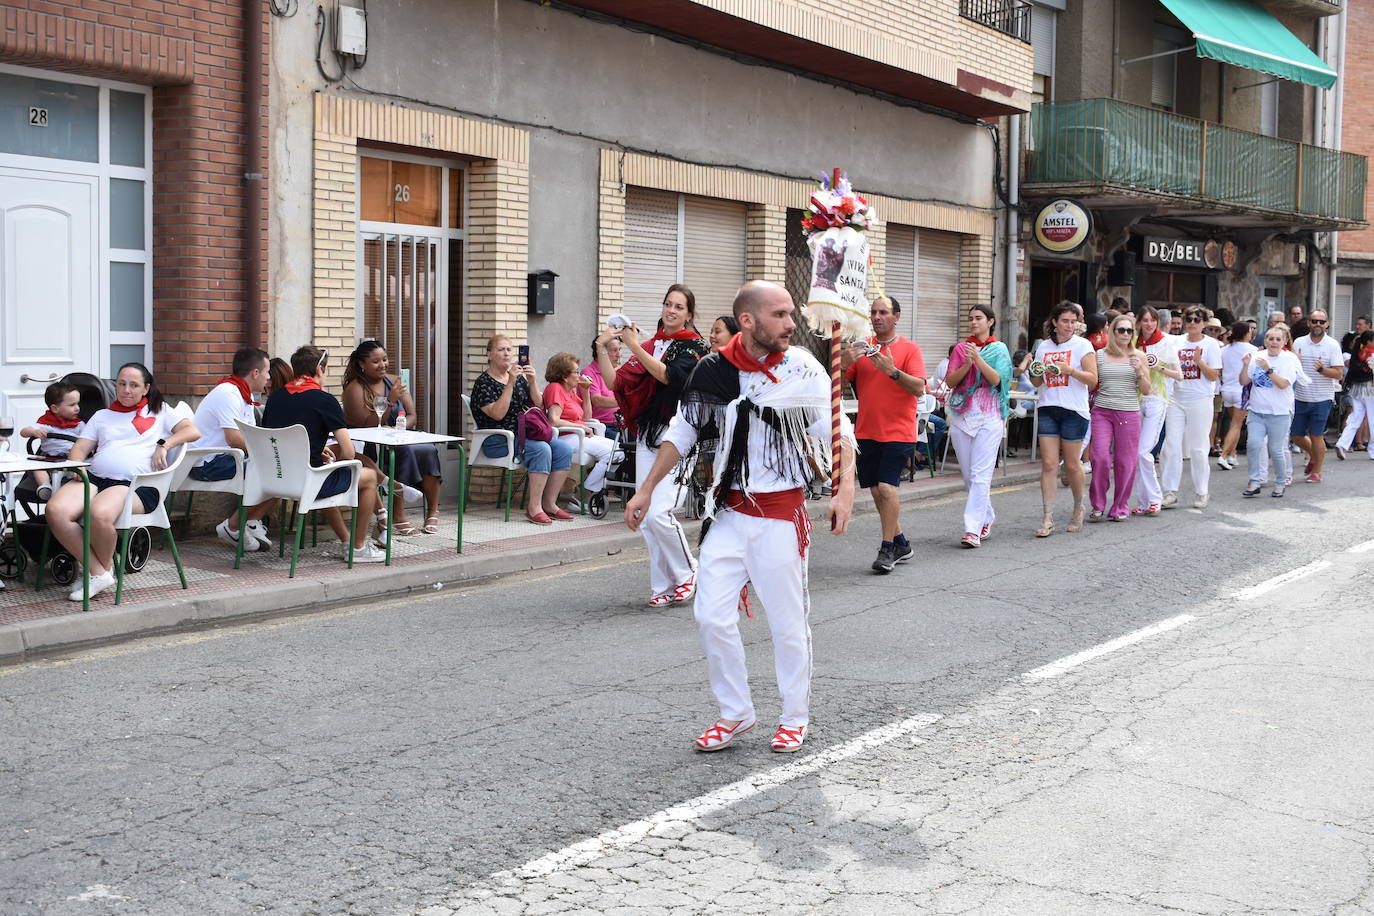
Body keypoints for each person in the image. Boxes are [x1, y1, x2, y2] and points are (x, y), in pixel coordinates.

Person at [626, 280, 855, 754]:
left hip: (780, 516)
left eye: (791, 313)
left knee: (787, 623)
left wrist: (844, 489)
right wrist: (645, 489)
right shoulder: (713, 369)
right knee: (711, 616)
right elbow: (683, 430)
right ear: (748, 321)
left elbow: (839, 433)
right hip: (728, 513)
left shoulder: (802, 368)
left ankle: (794, 716)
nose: (791, 324)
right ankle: (736, 711)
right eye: (779, 315)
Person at [45, 363, 202, 600]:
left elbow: (192, 431)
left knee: (98, 514)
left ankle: (99, 573)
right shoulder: (102, 416)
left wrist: (164, 444)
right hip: (95, 478)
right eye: (121, 384)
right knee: (56, 510)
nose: (126, 390)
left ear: (146, 388)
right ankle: (100, 572)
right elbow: (80, 448)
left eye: (134, 385)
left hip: (136, 485)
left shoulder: (159, 410)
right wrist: (77, 464)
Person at [602, 285, 710, 606]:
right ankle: (662, 585)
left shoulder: (694, 347)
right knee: (645, 513)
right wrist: (602, 346)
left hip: (679, 434)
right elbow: (617, 382)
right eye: (668, 304)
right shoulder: (654, 344)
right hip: (649, 433)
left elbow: (668, 377)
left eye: (679, 307)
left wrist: (634, 345)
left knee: (661, 512)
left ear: (689, 314)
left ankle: (689, 571)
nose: (671, 311)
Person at [261, 346, 385, 561]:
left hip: (277, 479)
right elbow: (348, 452)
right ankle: (358, 548)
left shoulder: (276, 396)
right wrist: (334, 463)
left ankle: (346, 541)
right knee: (369, 477)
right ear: (319, 370)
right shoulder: (324, 400)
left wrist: (318, 452)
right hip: (310, 481)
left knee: (325, 471)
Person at [841, 296, 926, 572]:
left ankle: (887, 548)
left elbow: (919, 388)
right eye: (874, 312)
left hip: (899, 430)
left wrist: (892, 371)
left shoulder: (910, 349)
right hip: (867, 429)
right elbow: (838, 383)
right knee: (877, 490)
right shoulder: (862, 348)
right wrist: (842, 363)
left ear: (896, 317)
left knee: (887, 488)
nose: (877, 317)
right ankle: (901, 542)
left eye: (884, 312)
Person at [341, 339, 443, 535]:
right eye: (376, 361)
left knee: (428, 449)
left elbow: (412, 415)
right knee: (404, 451)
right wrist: (390, 400)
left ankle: (432, 511)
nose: (383, 365)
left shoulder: (394, 381)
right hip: (369, 446)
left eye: (385, 359)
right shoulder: (355, 389)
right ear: (362, 364)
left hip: (397, 437)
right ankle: (398, 515)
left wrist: (398, 427)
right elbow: (367, 425)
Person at [471, 335, 575, 526]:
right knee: (542, 449)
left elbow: (539, 405)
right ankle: (534, 507)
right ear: (489, 354)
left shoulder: (519, 379)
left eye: (509, 350)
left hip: (524, 435)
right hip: (497, 440)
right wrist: (509, 384)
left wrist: (532, 381)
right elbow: (497, 414)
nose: (506, 354)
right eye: (501, 350)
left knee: (563, 449)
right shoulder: (483, 383)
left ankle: (549, 504)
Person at [191, 347, 277, 550]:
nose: (269, 378)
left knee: (283, 470)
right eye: (267, 372)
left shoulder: (242, 394)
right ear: (255, 373)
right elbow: (235, 439)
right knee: (276, 471)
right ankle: (233, 526)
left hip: (227, 458)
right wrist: (269, 453)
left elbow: (248, 438)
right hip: (208, 463)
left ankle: (249, 522)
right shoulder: (228, 393)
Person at [943, 305, 1010, 547]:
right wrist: (967, 363)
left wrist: (978, 359)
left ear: (990, 321)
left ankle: (972, 529)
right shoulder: (961, 348)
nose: (973, 322)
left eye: (978, 318)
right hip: (962, 414)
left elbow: (998, 380)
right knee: (969, 475)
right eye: (970, 318)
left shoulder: (999, 349)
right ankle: (986, 517)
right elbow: (951, 381)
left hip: (990, 414)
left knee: (981, 474)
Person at [1031, 303, 1097, 536]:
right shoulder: (1044, 347)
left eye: (1073, 321)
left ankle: (1078, 507)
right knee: (1049, 464)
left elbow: (1092, 380)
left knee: (1071, 464)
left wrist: (1070, 371)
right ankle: (1047, 517)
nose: (1069, 326)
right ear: (1055, 322)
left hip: (1074, 410)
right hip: (1048, 407)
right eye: (1065, 321)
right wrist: (1035, 370)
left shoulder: (1083, 345)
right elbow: (1037, 382)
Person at [1088, 313, 1151, 521]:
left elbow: (1147, 390)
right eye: (1121, 330)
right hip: (1102, 411)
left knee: (1125, 462)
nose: (1125, 334)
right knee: (1099, 457)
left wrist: (1139, 370)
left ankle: (1120, 506)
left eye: (1129, 331)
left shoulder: (1139, 356)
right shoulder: (1099, 355)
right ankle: (1098, 505)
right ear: (1113, 332)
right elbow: (1091, 382)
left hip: (1129, 412)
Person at [1161, 306, 1222, 510]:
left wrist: (1199, 362)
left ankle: (1201, 491)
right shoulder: (1176, 341)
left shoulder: (1211, 344)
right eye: (1189, 319)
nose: (1192, 323)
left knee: (1198, 447)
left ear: (1204, 323)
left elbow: (1213, 376)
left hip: (1200, 399)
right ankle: (1170, 491)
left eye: (1197, 319)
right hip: (1176, 398)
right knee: (1171, 444)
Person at [542, 351, 615, 509]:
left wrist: (586, 391)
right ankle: (583, 496)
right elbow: (554, 420)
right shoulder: (555, 388)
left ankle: (584, 492)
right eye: (576, 371)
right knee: (611, 453)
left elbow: (586, 416)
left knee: (619, 451)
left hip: (578, 435)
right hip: (565, 437)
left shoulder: (570, 391)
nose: (579, 375)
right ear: (564, 375)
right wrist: (580, 427)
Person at [1241, 327, 1304, 497]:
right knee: (1253, 445)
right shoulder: (1258, 356)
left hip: (1280, 413)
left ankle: (1280, 482)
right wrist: (1245, 365)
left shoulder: (1289, 359)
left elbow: (1283, 384)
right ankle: (1254, 482)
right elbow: (1244, 381)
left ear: (1284, 341)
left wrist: (1268, 369)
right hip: (1256, 411)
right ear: (1265, 341)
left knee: (1276, 449)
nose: (1274, 342)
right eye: (1270, 338)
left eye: (1278, 339)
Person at [1130, 306, 1181, 516]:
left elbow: (1179, 375)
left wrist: (1157, 366)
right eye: (1145, 320)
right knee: (1137, 455)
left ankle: (1155, 498)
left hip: (1156, 400)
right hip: (1134, 401)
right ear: (1139, 322)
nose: (1149, 324)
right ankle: (1144, 502)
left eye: (1152, 320)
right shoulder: (1133, 341)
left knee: (1143, 452)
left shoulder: (1165, 343)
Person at [1290, 309, 1344, 483]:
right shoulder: (1299, 342)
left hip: (1322, 398)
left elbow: (1338, 373)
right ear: (1309, 323)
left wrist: (1322, 370)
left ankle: (1317, 472)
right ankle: (1314, 455)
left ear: (1327, 324)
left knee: (1316, 435)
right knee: (1295, 435)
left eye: (1321, 322)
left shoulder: (1332, 345)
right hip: (1300, 396)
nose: (1318, 325)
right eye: (1314, 321)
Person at [20, 382, 84, 502]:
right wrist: (34, 431)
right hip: (49, 459)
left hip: (71, 459)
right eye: (72, 405)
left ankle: (70, 489)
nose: (77, 408)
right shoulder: (46, 423)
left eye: (78, 403)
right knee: (36, 466)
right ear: (55, 408)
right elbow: (23, 432)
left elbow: (88, 438)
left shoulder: (79, 425)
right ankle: (45, 486)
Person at [1217, 322, 1256, 470]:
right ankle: (1223, 455)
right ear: (1246, 333)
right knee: (1236, 425)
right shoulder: (1253, 350)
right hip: (1242, 391)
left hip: (1226, 389)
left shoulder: (1224, 349)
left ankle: (1232, 455)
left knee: (1234, 424)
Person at [1335, 330, 1374, 461]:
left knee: (1355, 418)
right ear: (1369, 341)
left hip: (1356, 389)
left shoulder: (1357, 352)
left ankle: (1342, 444)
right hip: (1370, 389)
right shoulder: (1370, 353)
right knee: (1372, 419)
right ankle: (1373, 450)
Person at [584, 332, 622, 438]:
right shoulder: (588, 373)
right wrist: (626, 401)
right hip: (601, 426)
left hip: (620, 424)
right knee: (627, 444)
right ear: (601, 352)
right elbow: (597, 400)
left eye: (619, 349)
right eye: (614, 350)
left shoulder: (617, 373)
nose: (619, 354)